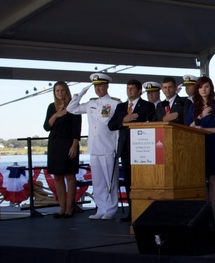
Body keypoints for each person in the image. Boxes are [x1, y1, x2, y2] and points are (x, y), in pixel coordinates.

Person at [67, 73, 121, 220]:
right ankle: (101, 208)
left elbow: (118, 127)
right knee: (98, 182)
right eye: (96, 86)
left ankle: (111, 209)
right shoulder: (91, 103)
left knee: (111, 181)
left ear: (107, 86)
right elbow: (71, 109)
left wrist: (117, 147)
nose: (98, 88)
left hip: (109, 147)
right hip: (94, 148)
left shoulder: (116, 103)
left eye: (101, 85)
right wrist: (80, 94)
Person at [108, 79, 157, 220]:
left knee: (143, 181)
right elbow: (111, 125)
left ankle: (145, 211)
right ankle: (132, 212)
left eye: (132, 88)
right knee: (129, 182)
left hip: (142, 148)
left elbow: (150, 123)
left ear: (139, 91)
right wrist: (125, 120)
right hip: (125, 149)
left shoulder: (147, 106)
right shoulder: (121, 107)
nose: (129, 91)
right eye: (127, 88)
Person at [187, 76, 215, 209]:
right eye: (200, 87)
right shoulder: (193, 106)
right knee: (199, 178)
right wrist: (201, 116)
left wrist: (205, 130)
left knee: (212, 178)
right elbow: (188, 126)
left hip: (210, 142)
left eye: (206, 87)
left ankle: (211, 210)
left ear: (211, 88)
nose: (203, 90)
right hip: (196, 143)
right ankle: (201, 209)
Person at [43, 80, 82, 218]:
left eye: (62, 90)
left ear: (66, 91)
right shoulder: (51, 107)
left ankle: (70, 207)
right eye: (57, 90)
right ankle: (62, 207)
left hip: (68, 143)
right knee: (58, 176)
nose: (60, 93)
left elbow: (77, 128)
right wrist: (56, 115)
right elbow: (46, 127)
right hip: (55, 144)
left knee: (70, 175)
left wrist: (74, 145)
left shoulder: (73, 106)